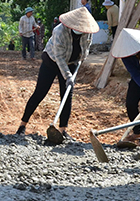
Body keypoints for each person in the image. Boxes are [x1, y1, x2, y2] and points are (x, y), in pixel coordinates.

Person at [16, 7, 98, 138]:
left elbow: (86, 47)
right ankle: (22, 125)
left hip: (71, 62)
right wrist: (68, 76)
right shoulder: (59, 31)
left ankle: (62, 130)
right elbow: (59, 57)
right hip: (52, 61)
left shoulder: (87, 32)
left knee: (67, 95)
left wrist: (81, 59)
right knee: (40, 92)